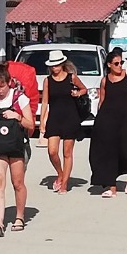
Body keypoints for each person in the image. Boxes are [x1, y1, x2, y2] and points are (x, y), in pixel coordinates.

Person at [0, 65, 35, 235]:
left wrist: (17, 116)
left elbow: (31, 124)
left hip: (17, 146)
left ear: (9, 82)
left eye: (1, 86)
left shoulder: (20, 98)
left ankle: (19, 217)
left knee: (17, 183)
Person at [89, 47, 127, 196]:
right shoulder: (104, 80)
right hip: (107, 120)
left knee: (126, 150)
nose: (120, 66)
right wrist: (98, 122)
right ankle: (111, 186)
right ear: (109, 65)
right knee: (109, 152)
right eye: (116, 63)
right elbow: (102, 102)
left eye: (121, 63)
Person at [39, 51, 88, 194]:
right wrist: (42, 121)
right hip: (54, 118)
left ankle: (64, 184)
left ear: (62, 64)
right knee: (52, 151)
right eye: (52, 65)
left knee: (67, 153)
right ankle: (60, 174)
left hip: (70, 118)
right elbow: (45, 101)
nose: (54, 67)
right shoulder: (47, 81)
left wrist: (77, 93)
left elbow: (84, 89)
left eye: (56, 65)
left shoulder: (71, 77)